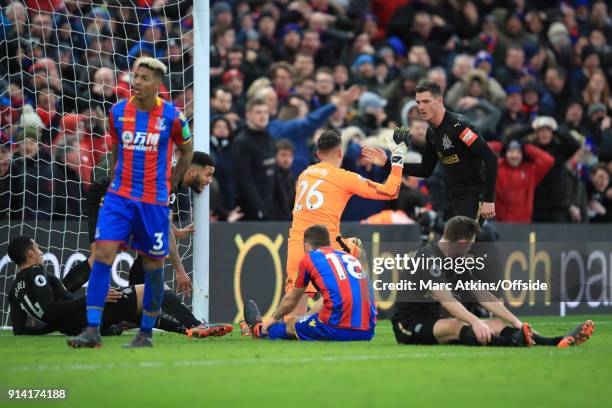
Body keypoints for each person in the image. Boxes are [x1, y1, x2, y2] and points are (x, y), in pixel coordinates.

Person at [67, 57, 194, 349]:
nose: (136, 82)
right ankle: (92, 330)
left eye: (144, 78)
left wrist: (170, 184)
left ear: (157, 84)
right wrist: (114, 178)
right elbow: (114, 149)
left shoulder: (174, 117)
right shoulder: (117, 112)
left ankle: (145, 333)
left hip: (153, 202)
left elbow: (186, 152)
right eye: (135, 76)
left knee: (152, 265)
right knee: (102, 254)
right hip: (119, 198)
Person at [62, 151, 233, 338]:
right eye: (208, 174)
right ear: (192, 171)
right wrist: (179, 270)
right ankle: (56, 302)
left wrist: (175, 231)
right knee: (100, 258)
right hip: (109, 194)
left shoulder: (171, 183)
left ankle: (133, 316)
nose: (209, 180)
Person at [391, 216, 595, 348]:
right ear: (462, 242)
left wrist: (516, 321)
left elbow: (481, 294)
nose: (470, 250)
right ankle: (512, 344)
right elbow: (447, 300)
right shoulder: (427, 257)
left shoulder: (454, 259)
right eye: (470, 245)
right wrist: (476, 321)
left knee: (497, 323)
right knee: (457, 325)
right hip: (408, 325)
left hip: (433, 321)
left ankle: (555, 342)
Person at [285, 128, 406, 317]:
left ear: (318, 154)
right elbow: (391, 191)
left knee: (292, 321)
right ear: (340, 153)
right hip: (327, 245)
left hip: (296, 247)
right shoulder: (343, 177)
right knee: (358, 256)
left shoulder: (304, 175)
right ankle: (364, 310)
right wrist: (397, 158)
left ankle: (264, 328)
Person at [6, 236, 212, 338]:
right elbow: (51, 309)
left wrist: (57, 326)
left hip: (76, 324)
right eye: (37, 248)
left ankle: (184, 329)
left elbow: (19, 330)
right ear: (30, 254)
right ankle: (195, 325)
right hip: (85, 315)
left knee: (129, 308)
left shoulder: (14, 289)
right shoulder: (36, 274)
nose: (41, 252)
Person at [364, 81, 498, 222]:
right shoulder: (432, 133)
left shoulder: (458, 126)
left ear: (439, 101)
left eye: (426, 101)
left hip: (474, 195)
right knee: (456, 241)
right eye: (418, 102)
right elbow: (424, 170)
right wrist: (388, 163)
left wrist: (488, 200)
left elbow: (490, 158)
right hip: (453, 195)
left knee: (459, 241)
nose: (421, 107)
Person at [243, 224, 375, 342]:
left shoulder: (310, 259)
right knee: (306, 320)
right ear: (328, 242)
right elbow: (333, 298)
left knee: (291, 325)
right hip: (367, 331)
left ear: (306, 245)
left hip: (335, 329)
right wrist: (305, 318)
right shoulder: (348, 257)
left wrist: (271, 321)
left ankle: (259, 330)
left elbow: (291, 300)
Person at [489, 139, 554, 223]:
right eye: (511, 151)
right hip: (501, 223)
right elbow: (483, 148)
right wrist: (502, 145)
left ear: (523, 154)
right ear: (505, 153)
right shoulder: (498, 167)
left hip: (523, 224)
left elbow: (548, 160)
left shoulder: (530, 170)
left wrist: (526, 147)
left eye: (518, 152)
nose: (514, 155)